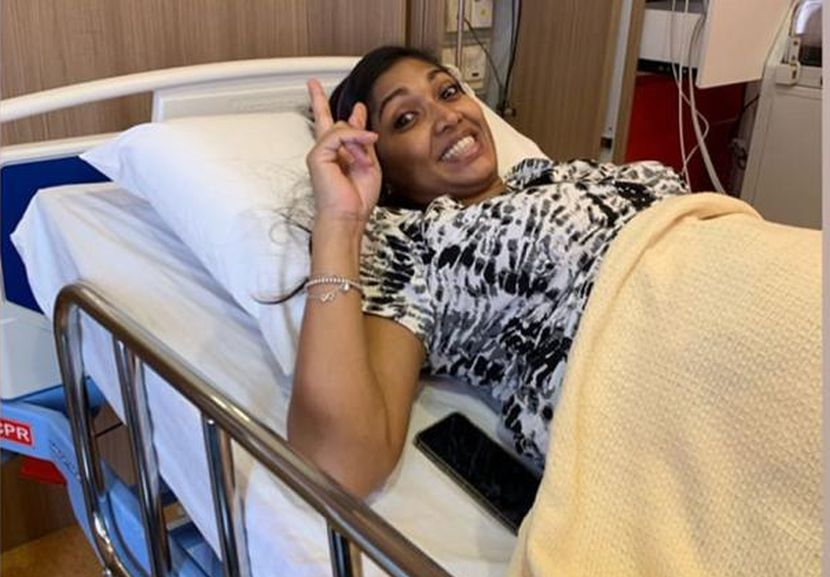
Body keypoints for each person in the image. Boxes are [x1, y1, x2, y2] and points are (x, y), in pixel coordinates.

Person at [287, 45, 688, 498]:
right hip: (662, 369)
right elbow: (340, 463)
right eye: (406, 118)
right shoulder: (414, 246)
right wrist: (338, 223)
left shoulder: (548, 175)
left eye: (448, 92)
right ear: (384, 168)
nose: (447, 116)